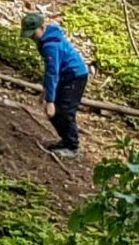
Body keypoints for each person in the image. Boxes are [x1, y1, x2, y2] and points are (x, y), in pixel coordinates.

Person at [21, 12, 89, 158]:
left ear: (42, 28)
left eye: (34, 34)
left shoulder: (50, 45)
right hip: (64, 76)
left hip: (74, 76)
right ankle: (65, 140)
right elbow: (50, 72)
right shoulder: (45, 42)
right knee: (54, 113)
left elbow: (53, 72)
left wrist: (51, 100)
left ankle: (72, 146)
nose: (32, 38)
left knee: (64, 111)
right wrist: (46, 91)